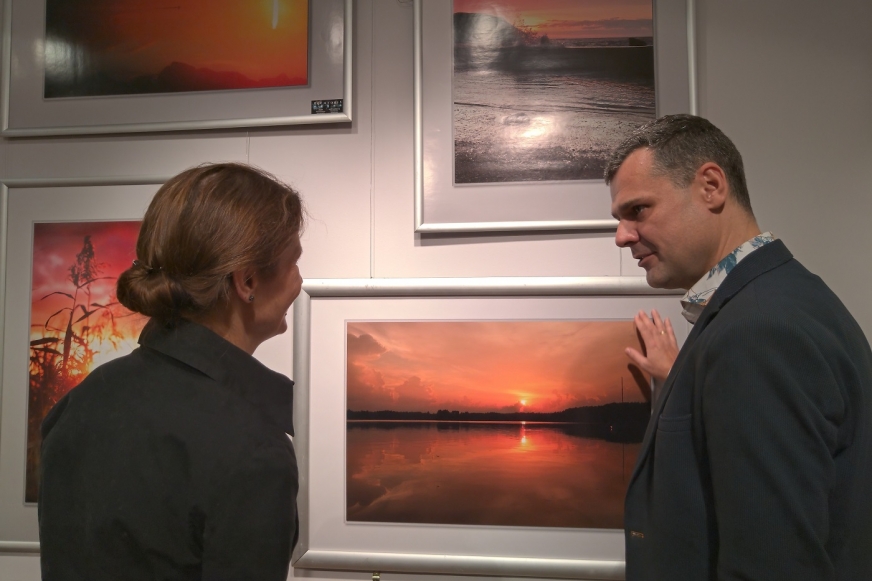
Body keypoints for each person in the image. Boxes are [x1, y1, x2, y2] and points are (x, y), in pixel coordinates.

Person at [605, 114, 872, 580]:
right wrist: (682, 381)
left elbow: (775, 565)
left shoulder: (758, 332)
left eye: (638, 210)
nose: (622, 235)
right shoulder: (778, 300)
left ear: (711, 186)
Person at [38, 163, 305, 580]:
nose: (299, 282)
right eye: (294, 263)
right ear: (247, 280)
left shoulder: (79, 403)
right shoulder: (252, 447)